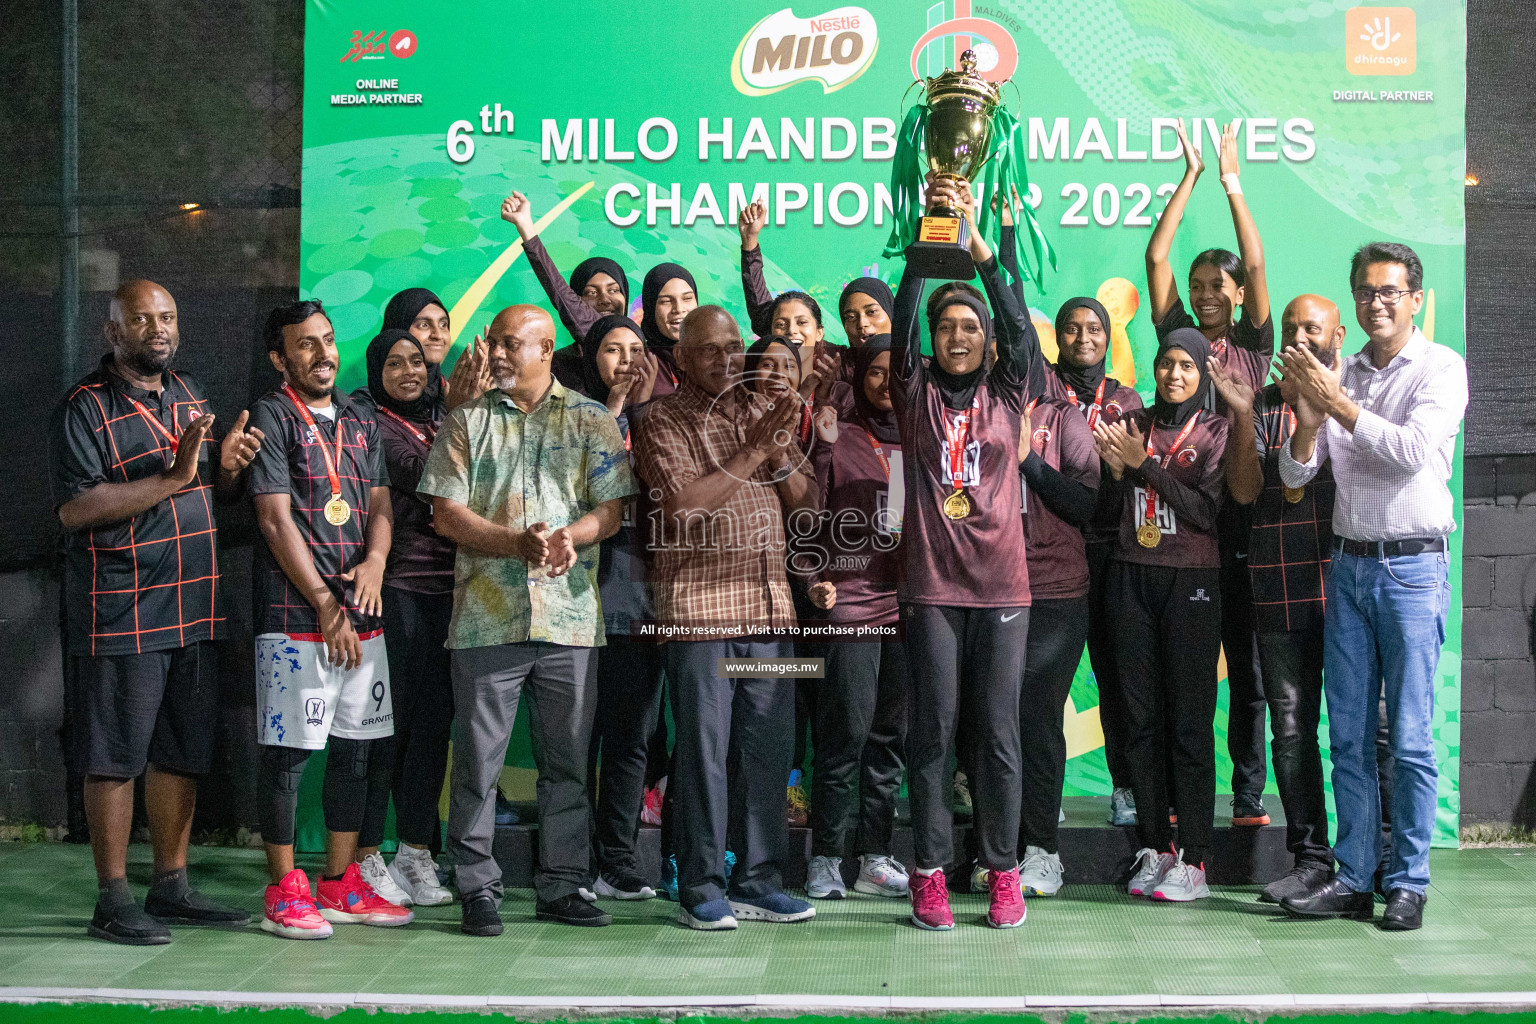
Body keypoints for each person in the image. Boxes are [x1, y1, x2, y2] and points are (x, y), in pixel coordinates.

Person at [50, 280, 261, 944]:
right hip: (122, 609)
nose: (159, 329)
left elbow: (213, 490)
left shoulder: (190, 394)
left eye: (167, 317)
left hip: (195, 607)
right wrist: (173, 477)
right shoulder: (83, 409)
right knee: (114, 756)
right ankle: (112, 899)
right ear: (113, 332)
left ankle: (170, 886)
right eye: (142, 320)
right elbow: (76, 508)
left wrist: (224, 469)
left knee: (181, 752)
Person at [419, 304, 636, 935]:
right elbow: (445, 516)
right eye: (496, 343)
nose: (501, 354)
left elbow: (612, 510)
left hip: (569, 622)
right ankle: (477, 887)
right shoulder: (467, 421)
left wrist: (571, 535)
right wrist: (515, 543)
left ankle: (563, 886)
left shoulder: (592, 419)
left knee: (567, 763)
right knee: (478, 764)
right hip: (486, 620)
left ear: (546, 351)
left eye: (514, 344)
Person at [1277, 243, 1466, 932]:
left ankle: (1407, 881)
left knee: (1410, 739)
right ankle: (1354, 877)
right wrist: (1307, 420)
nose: (1375, 302)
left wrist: (1339, 405)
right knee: (1348, 739)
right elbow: (1297, 478)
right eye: (1364, 290)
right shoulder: (1341, 372)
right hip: (1348, 567)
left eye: (1389, 290)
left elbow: (1414, 451)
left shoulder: (1442, 369)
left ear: (1415, 298)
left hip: (1415, 569)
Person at [630, 305, 823, 931]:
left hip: (770, 611)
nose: (725, 358)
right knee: (705, 756)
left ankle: (760, 880)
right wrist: (750, 451)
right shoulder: (660, 420)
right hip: (701, 616)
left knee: (768, 754)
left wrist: (780, 445)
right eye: (709, 349)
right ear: (680, 357)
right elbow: (683, 509)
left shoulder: (757, 412)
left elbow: (809, 508)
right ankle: (702, 885)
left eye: (733, 346)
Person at [891, 178, 1037, 931]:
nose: (957, 335)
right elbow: (902, 312)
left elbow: (1019, 327)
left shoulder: (1011, 391)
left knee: (999, 737)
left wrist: (977, 246)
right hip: (934, 591)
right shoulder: (911, 389)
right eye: (947, 327)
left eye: (969, 328)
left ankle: (1003, 870)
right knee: (934, 736)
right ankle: (928, 874)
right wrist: (932, 222)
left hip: (1004, 589)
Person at [247, 300, 410, 939]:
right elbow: (272, 518)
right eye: (306, 345)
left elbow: (377, 503)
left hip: (363, 618)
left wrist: (375, 559)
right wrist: (323, 601)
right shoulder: (273, 415)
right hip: (298, 620)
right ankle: (284, 889)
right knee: (289, 755)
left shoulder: (359, 416)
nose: (323, 354)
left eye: (329, 340)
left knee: (356, 750)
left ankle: (339, 883)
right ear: (280, 357)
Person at [1146, 120, 1274, 827]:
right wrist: (1188, 175)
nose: (1205, 295)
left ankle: (1248, 795)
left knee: (1248, 677)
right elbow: (1155, 255)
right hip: (1181, 536)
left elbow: (1257, 268)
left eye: (1215, 285)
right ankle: (1170, 796)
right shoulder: (1178, 343)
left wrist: (1230, 181)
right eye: (1197, 287)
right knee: (1181, 678)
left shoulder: (1253, 349)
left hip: (1243, 530)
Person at [1212, 295, 1342, 904]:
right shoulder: (1263, 404)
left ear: (1335, 334)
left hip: (1349, 591)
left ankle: (1379, 860)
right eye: (1290, 327)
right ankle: (1311, 858)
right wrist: (1241, 415)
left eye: (1310, 327)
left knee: (1370, 731)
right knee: (1291, 730)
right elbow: (1242, 491)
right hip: (1280, 588)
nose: (1298, 336)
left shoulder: (1355, 396)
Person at [1093, 327, 1229, 903]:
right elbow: (1104, 502)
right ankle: (1156, 845)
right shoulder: (1135, 422)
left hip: (1191, 582)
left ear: (1201, 373)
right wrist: (1115, 465)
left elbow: (1205, 512)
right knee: (1139, 719)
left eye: (1186, 366)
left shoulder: (1218, 431)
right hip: (1130, 574)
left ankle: (1195, 857)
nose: (1174, 375)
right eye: (1166, 363)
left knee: (1190, 724)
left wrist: (1144, 467)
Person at [801, 336, 911, 901]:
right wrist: (820, 449)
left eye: (896, 373)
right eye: (875, 373)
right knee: (844, 734)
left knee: (890, 738)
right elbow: (809, 513)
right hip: (850, 601)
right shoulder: (838, 435)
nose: (885, 383)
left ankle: (876, 857)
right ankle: (825, 859)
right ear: (860, 376)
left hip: (911, 604)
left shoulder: (926, 437)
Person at [352, 328, 458, 908]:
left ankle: (416, 854)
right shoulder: (369, 425)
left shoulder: (444, 418)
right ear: (376, 373)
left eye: (416, 361)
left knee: (432, 728)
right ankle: (366, 856)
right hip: (397, 592)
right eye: (393, 364)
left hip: (454, 593)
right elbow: (429, 479)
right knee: (385, 731)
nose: (408, 371)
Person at [578, 314, 667, 900]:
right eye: (614, 350)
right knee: (578, 742)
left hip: (647, 607)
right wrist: (613, 405)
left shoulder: (666, 423)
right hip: (578, 607)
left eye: (637, 350)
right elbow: (571, 486)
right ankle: (573, 862)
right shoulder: (574, 417)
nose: (627, 360)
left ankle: (617, 860)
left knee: (632, 740)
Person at [1014, 392, 1100, 896]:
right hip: (986, 588)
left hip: (1054, 590)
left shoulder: (1062, 418)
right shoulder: (969, 412)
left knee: (1038, 714)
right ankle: (997, 851)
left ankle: (1042, 851)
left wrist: (1026, 457)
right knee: (990, 718)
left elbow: (1084, 503)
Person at [499, 192, 641, 392]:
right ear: (575, 301)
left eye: (614, 290)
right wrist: (526, 230)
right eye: (591, 293)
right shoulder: (554, 366)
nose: (605, 300)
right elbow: (560, 291)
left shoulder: (645, 357)